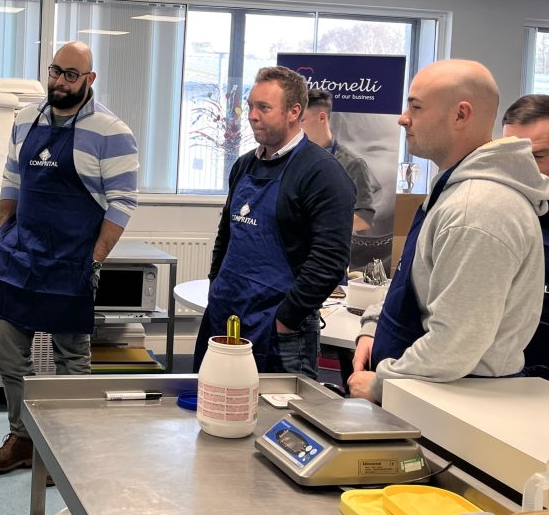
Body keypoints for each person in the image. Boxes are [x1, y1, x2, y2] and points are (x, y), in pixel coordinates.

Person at [0, 42, 138, 475]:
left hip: (71, 261)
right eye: (55, 71)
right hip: (19, 257)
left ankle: (67, 450)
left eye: (71, 75)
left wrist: (95, 258)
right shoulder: (25, 118)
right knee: (8, 353)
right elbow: (12, 179)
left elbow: (123, 202)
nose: (60, 82)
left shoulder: (111, 132)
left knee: (71, 361)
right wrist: (4, 233)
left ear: (90, 79)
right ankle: (22, 439)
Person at [349, 61, 547, 403]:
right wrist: (374, 326)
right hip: (426, 394)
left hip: (449, 404)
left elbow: (454, 345)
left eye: (416, 107)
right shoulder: (454, 191)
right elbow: (413, 284)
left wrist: (381, 385)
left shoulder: (478, 208)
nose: (403, 118)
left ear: (460, 115)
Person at [195, 66, 355, 378]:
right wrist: (216, 285)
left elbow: (331, 259)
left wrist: (286, 319)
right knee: (215, 397)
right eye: (251, 106)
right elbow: (226, 234)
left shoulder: (322, 172)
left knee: (278, 408)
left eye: (264, 108)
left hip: (279, 331)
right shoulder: (244, 165)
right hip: (226, 314)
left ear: (294, 112)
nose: (252, 116)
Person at [501, 94, 549, 379]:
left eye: (538, 156)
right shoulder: (496, 211)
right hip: (501, 377)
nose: (522, 169)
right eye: (512, 156)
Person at [301, 88, 377, 233]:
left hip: (329, 244)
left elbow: (364, 219)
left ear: (321, 118)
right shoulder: (292, 158)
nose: (296, 126)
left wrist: (317, 224)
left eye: (302, 120)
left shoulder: (352, 164)